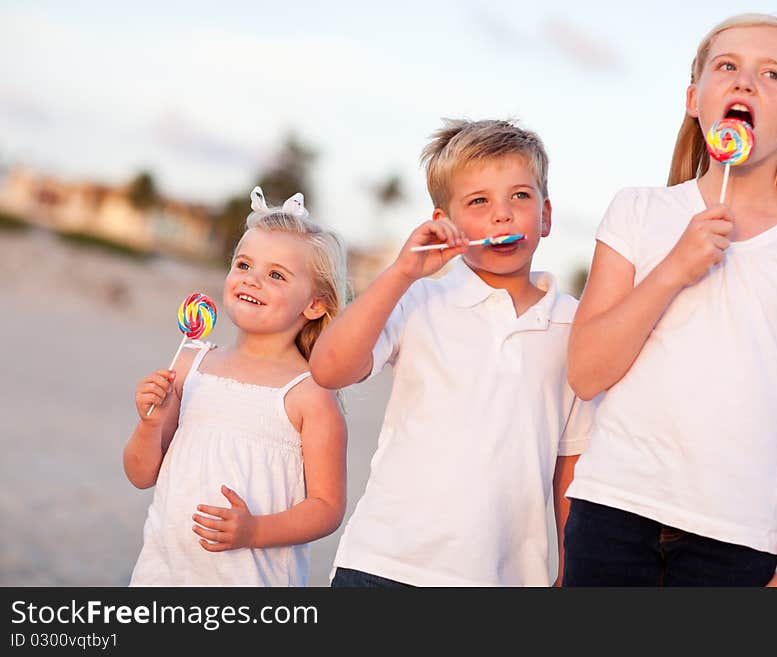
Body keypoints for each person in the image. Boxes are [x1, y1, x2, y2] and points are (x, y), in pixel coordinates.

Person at [564, 13, 777, 586]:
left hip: (739, 539)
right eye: (727, 67)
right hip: (612, 511)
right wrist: (674, 268)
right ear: (694, 98)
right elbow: (585, 372)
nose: (745, 82)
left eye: (772, 74)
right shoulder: (637, 211)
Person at [309, 119, 592, 587]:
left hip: (500, 578)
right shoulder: (419, 299)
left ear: (545, 215)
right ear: (445, 222)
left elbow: (572, 461)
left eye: (519, 197)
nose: (502, 215)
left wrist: (569, 569)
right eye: (479, 201)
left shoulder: (574, 325)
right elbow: (328, 368)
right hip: (382, 564)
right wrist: (402, 272)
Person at [124, 187, 348, 586]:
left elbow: (327, 507)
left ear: (315, 304)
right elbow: (141, 474)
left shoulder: (309, 395)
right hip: (163, 574)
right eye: (243, 265)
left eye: (276, 275)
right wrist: (148, 424)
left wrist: (254, 531)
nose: (252, 280)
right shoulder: (191, 364)